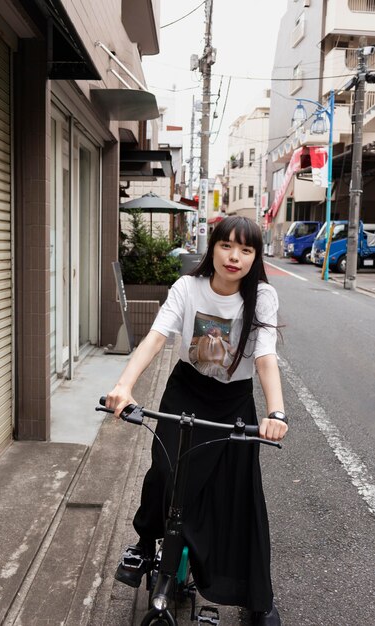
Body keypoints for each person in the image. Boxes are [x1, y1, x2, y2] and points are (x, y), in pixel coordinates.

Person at [106, 216, 288, 626]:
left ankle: (255, 598)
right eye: (227, 246)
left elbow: (264, 358)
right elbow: (156, 336)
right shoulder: (188, 287)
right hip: (186, 390)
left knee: (239, 496)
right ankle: (144, 541)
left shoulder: (262, 297)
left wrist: (276, 412)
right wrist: (123, 386)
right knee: (165, 471)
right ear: (214, 248)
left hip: (232, 402)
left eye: (246, 250)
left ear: (255, 257)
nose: (235, 257)